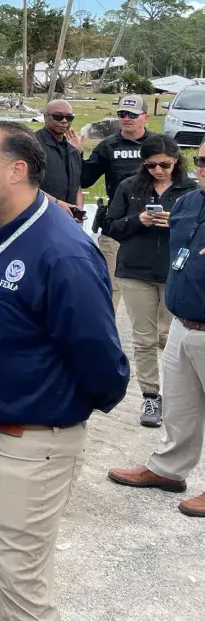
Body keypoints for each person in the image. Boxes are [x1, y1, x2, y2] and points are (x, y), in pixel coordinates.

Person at [0, 122, 129, 621]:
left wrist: (53, 413)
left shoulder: (61, 251)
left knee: (23, 587)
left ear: (17, 170)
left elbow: (100, 358)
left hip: (26, 443)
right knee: (7, 569)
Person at [108, 149, 205, 517]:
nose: (203, 169)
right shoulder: (188, 203)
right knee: (180, 406)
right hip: (184, 322)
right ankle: (168, 469)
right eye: (200, 161)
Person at [102, 135, 194, 428]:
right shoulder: (130, 187)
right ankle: (151, 395)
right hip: (134, 271)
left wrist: (176, 224)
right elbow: (111, 227)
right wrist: (138, 221)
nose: (158, 170)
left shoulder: (192, 190)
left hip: (176, 272)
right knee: (144, 338)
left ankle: (180, 393)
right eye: (151, 165)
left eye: (165, 164)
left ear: (177, 161)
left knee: (171, 337)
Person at [82, 95, 158, 310]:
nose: (126, 118)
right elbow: (85, 180)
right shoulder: (108, 145)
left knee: (155, 285)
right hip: (117, 223)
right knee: (110, 285)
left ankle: (156, 342)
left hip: (153, 224)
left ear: (145, 117)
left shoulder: (157, 144)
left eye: (132, 114)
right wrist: (76, 153)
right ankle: (106, 336)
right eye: (122, 114)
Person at [34, 99, 84, 220]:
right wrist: (57, 204)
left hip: (67, 221)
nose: (64, 121)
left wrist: (78, 209)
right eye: (58, 116)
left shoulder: (73, 150)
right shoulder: (32, 145)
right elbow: (24, 187)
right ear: (46, 117)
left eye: (69, 117)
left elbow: (77, 187)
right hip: (38, 217)